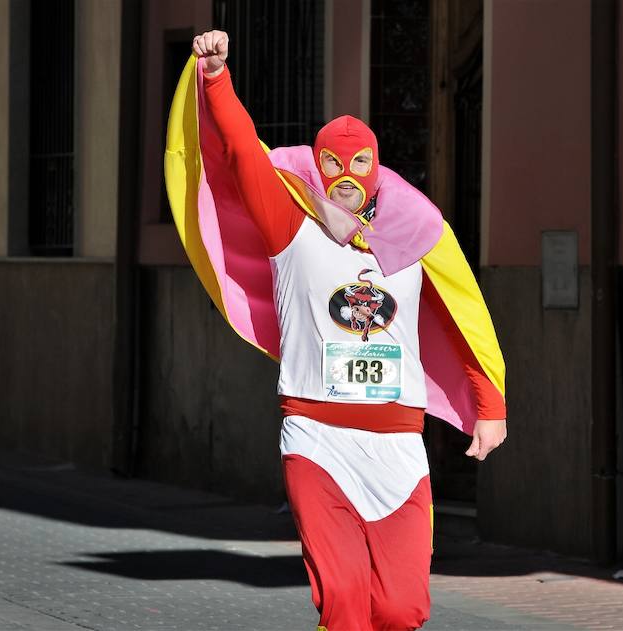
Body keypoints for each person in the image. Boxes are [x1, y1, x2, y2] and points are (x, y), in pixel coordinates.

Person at [176, 29, 508, 631]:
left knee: (402, 611)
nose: (346, 175)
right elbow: (242, 152)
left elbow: (462, 318)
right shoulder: (287, 223)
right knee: (347, 602)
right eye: (333, 162)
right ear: (317, 164)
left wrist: (490, 406)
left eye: (359, 164)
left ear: (377, 168)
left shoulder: (413, 234)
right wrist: (217, 77)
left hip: (400, 448)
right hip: (317, 438)